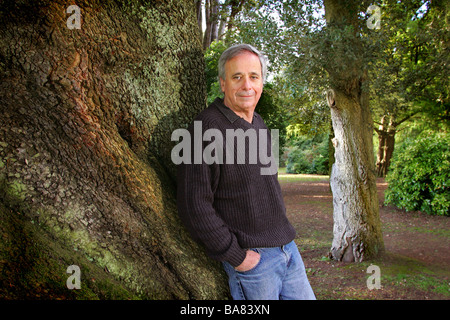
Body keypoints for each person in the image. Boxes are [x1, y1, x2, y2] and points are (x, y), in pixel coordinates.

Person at [176, 44, 315, 300]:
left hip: (288, 250)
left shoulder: (260, 123)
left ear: (262, 81)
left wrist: (286, 244)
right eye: (237, 77)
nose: (246, 86)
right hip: (254, 261)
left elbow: (266, 189)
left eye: (254, 76)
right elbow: (193, 205)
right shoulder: (204, 127)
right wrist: (237, 257)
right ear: (222, 83)